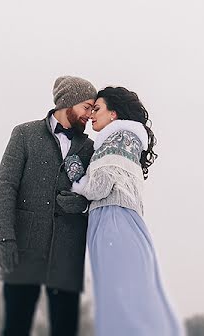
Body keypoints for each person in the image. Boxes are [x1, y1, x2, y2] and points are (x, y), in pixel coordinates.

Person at [70, 86, 182, 335]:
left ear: (114, 114)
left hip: (114, 220)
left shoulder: (120, 138)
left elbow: (101, 184)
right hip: (115, 220)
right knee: (127, 295)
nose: (91, 115)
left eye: (97, 109)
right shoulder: (120, 140)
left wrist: (76, 178)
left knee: (121, 298)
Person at [0, 76, 98, 336]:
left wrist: (81, 204)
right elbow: (6, 186)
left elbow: (95, 191)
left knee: (65, 329)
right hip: (25, 246)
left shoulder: (90, 147)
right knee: (15, 326)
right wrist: (3, 238)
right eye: (87, 106)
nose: (89, 114)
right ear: (69, 102)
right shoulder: (24, 134)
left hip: (67, 251)